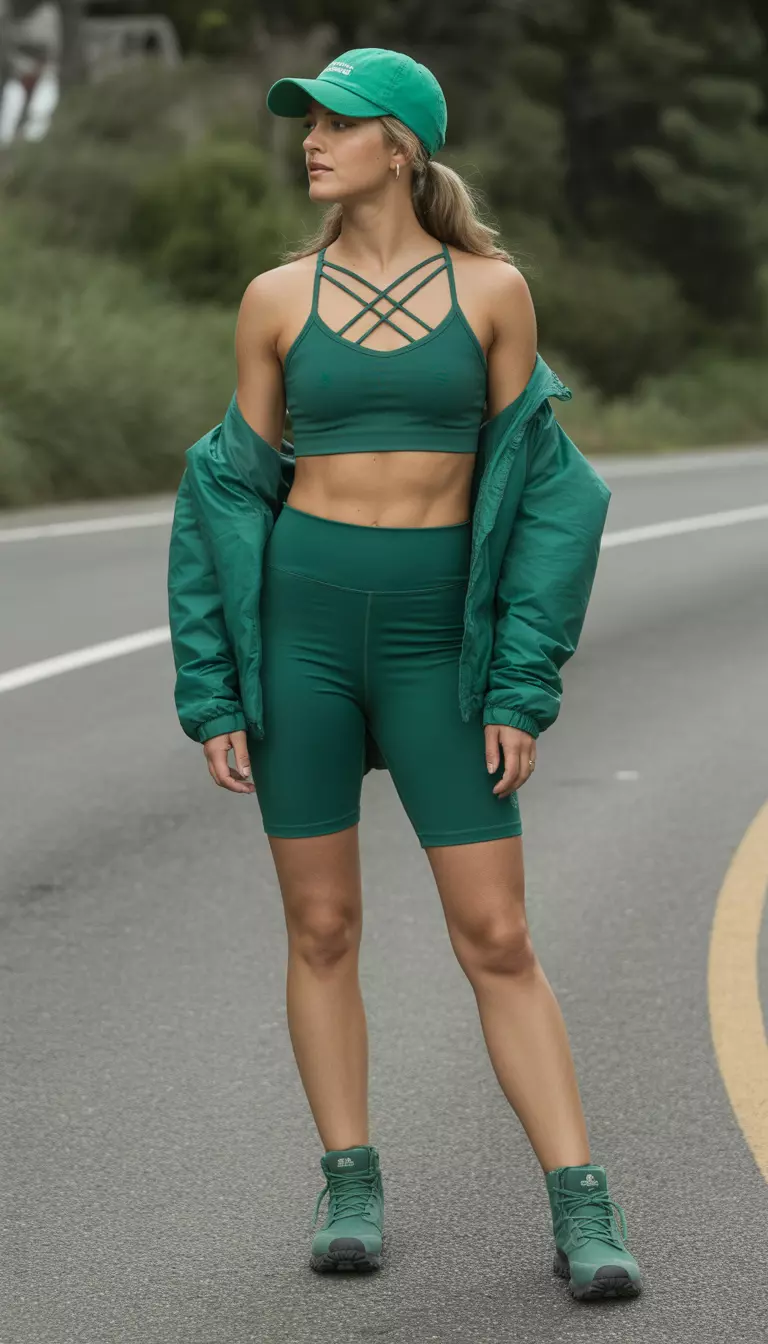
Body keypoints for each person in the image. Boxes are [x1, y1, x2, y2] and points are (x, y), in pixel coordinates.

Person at [166, 46, 642, 1300]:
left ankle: (584, 1209)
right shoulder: (275, 297)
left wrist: (520, 683)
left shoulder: (495, 292)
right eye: (306, 122)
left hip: (440, 639)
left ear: (402, 146)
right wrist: (213, 682)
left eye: (338, 122)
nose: (312, 140)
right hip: (304, 626)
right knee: (322, 925)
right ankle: (351, 1183)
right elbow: (227, 489)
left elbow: (543, 495)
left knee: (495, 931)